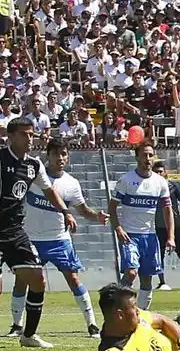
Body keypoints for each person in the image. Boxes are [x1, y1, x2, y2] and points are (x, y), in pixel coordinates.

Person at [7, 138, 108, 340]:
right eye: (56, 154)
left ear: (67, 157)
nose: (60, 158)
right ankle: (17, 325)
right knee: (22, 281)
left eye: (64, 154)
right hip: (31, 238)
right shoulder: (34, 175)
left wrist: (96, 216)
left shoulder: (71, 184)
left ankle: (92, 324)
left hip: (59, 239)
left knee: (73, 278)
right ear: (48, 155)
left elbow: (82, 209)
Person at [0, 118, 78, 348]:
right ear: (10, 136)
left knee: (37, 279)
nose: (29, 139)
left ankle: (28, 335)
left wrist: (65, 211)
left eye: (32, 135)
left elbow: (49, 190)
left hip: (14, 230)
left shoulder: (34, 165)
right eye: (24, 134)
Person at [109, 140, 173, 311]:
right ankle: (114, 306)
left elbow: (168, 210)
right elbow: (112, 207)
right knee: (131, 273)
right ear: (136, 157)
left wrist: (171, 237)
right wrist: (118, 228)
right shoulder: (126, 180)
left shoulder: (160, 182)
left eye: (150, 155)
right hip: (130, 235)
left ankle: (141, 316)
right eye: (144, 155)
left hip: (150, 237)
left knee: (147, 279)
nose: (148, 158)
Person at [152, 159, 180, 290]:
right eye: (156, 172)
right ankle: (162, 281)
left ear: (165, 173)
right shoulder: (150, 188)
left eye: (160, 172)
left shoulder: (173, 186)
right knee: (160, 254)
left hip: (175, 225)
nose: (158, 174)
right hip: (159, 226)